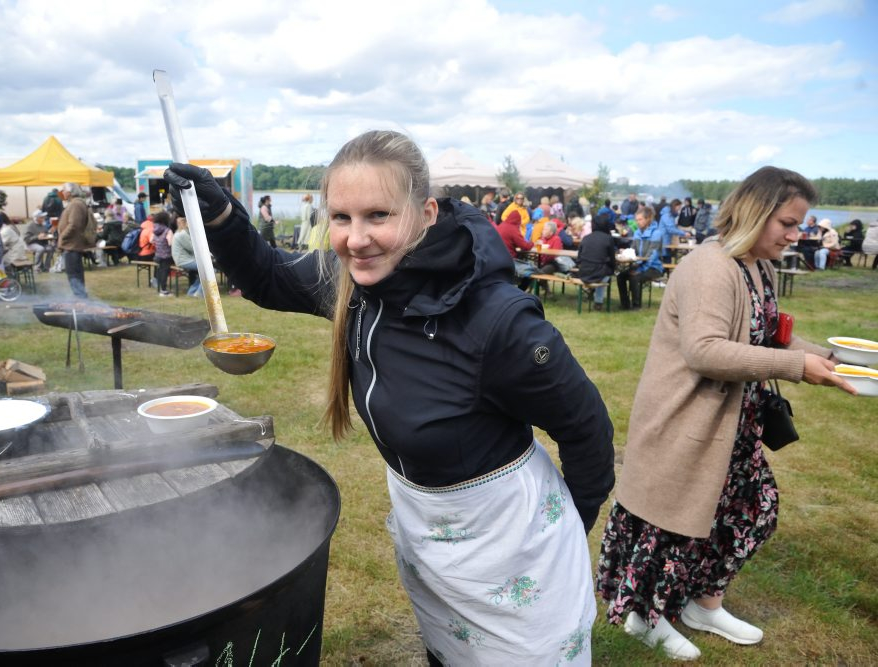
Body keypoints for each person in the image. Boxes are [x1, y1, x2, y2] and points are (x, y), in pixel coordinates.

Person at [164, 130, 615, 665]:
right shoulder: (351, 282)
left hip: (513, 544)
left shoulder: (500, 324)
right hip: (427, 532)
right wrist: (221, 218)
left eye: (378, 215)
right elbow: (269, 275)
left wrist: (562, 530)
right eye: (341, 217)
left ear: (425, 213)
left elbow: (588, 430)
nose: (356, 240)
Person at [596, 166, 856, 661]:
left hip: (735, 426)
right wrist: (798, 367)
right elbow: (705, 351)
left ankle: (702, 605)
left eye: (799, 224)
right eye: (787, 223)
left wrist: (832, 359)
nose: (795, 235)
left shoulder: (759, 267)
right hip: (687, 422)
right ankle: (643, 617)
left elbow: (771, 336)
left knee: (751, 512)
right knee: (672, 526)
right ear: (755, 213)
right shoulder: (710, 266)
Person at [616, 205, 663, 310]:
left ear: (648, 219)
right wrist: (626, 253)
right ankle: (625, 304)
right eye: (636, 220)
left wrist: (639, 269)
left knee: (634, 277)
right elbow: (633, 251)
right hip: (639, 265)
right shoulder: (637, 232)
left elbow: (652, 256)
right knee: (620, 276)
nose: (637, 222)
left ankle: (636, 305)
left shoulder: (656, 233)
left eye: (640, 219)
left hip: (654, 267)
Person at [56, 182, 93, 299]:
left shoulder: (76, 205)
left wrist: (62, 237)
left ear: (70, 192)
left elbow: (74, 225)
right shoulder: (75, 203)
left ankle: (81, 299)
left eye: (64, 190)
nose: (62, 193)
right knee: (74, 274)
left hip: (72, 245)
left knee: (74, 275)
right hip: (72, 244)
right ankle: (80, 298)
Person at [577, 213, 617, 311]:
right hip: (599, 273)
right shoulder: (608, 239)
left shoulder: (586, 238)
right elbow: (612, 259)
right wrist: (613, 269)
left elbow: (578, 259)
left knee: (602, 270)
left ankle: (592, 295)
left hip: (584, 272)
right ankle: (598, 301)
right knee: (606, 273)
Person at [494, 209, 535, 290]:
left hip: (495, 258)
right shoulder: (513, 228)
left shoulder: (501, 226)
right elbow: (525, 246)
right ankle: (520, 291)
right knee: (530, 272)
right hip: (508, 260)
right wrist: (533, 243)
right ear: (518, 221)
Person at [171, 216, 202, 297]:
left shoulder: (179, 232)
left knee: (203, 272)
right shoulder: (182, 234)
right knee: (207, 270)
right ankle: (199, 293)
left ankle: (192, 292)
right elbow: (193, 249)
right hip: (184, 261)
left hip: (184, 259)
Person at [151, 211, 173, 296]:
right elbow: (170, 243)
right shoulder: (168, 230)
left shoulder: (155, 229)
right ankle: (163, 290)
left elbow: (151, 240)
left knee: (160, 271)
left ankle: (160, 287)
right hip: (167, 255)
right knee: (165, 271)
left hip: (158, 254)